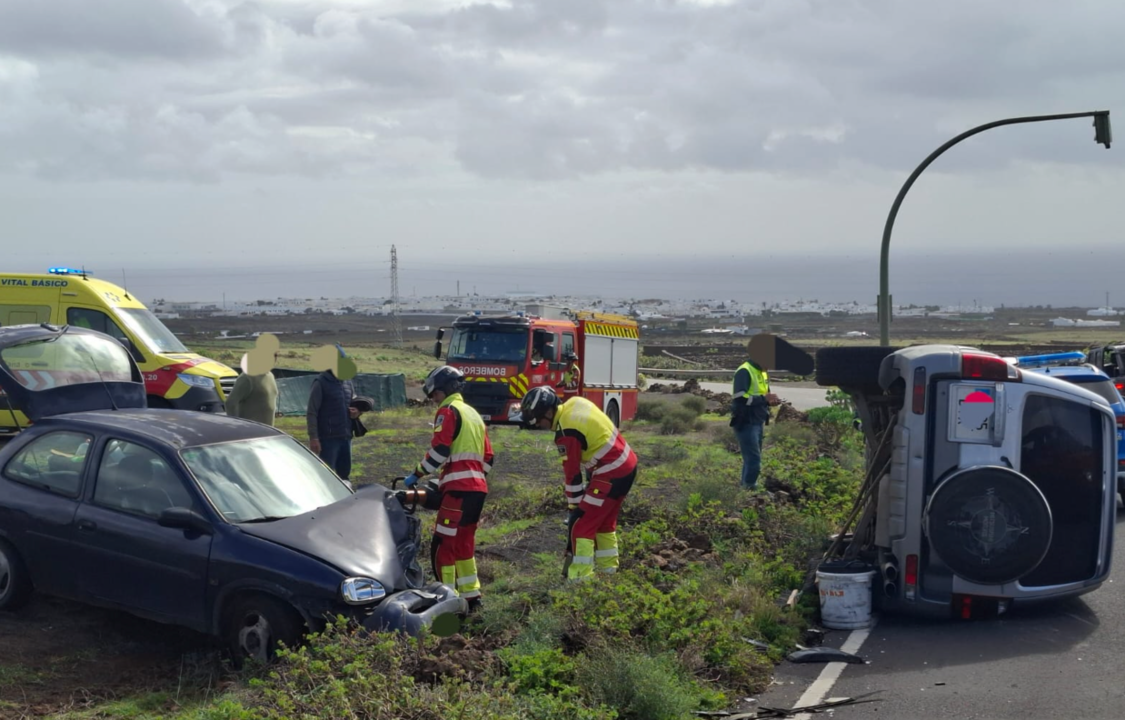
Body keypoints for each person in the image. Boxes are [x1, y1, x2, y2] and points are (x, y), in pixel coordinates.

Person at [519, 387, 636, 581]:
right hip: (626, 465)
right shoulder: (575, 403)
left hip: (610, 471)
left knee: (581, 526)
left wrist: (574, 509)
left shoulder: (566, 433)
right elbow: (594, 438)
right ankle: (608, 575)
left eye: (539, 420)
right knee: (603, 523)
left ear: (548, 412)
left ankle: (580, 580)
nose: (540, 425)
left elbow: (572, 475)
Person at [403, 365, 492, 610]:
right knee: (464, 545)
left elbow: (440, 450)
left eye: (434, 394)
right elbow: (489, 457)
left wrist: (416, 474)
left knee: (443, 545)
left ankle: (446, 599)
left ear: (443, 390)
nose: (433, 399)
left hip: (458, 491)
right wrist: (473, 478)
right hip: (478, 490)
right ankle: (472, 598)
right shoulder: (473, 414)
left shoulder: (448, 411)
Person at [730, 351, 780, 490]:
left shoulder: (762, 372)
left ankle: (745, 487)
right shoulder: (745, 371)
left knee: (751, 458)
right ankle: (750, 488)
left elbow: (763, 395)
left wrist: (770, 401)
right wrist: (764, 399)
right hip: (746, 421)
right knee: (754, 459)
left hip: (758, 420)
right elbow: (739, 398)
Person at [306, 356, 358, 480]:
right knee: (326, 476)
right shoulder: (320, 383)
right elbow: (312, 412)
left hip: (346, 437)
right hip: (328, 439)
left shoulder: (347, 382)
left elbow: (354, 401)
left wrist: (357, 411)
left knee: (344, 475)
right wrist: (313, 438)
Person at [226, 337, 279, 426]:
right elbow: (230, 403)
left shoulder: (270, 376)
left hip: (267, 431)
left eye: (275, 355)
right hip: (249, 431)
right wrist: (236, 425)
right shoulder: (247, 377)